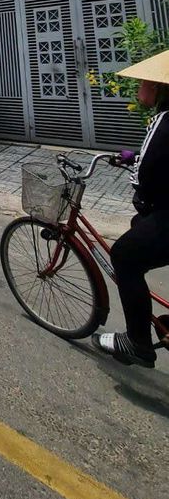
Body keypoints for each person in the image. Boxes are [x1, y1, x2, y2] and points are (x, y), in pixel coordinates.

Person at [92, 49, 169, 369]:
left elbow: (144, 177)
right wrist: (133, 156)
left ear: (158, 87)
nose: (139, 88)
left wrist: (136, 169)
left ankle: (137, 342)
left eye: (143, 83)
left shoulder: (164, 120)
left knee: (124, 255)